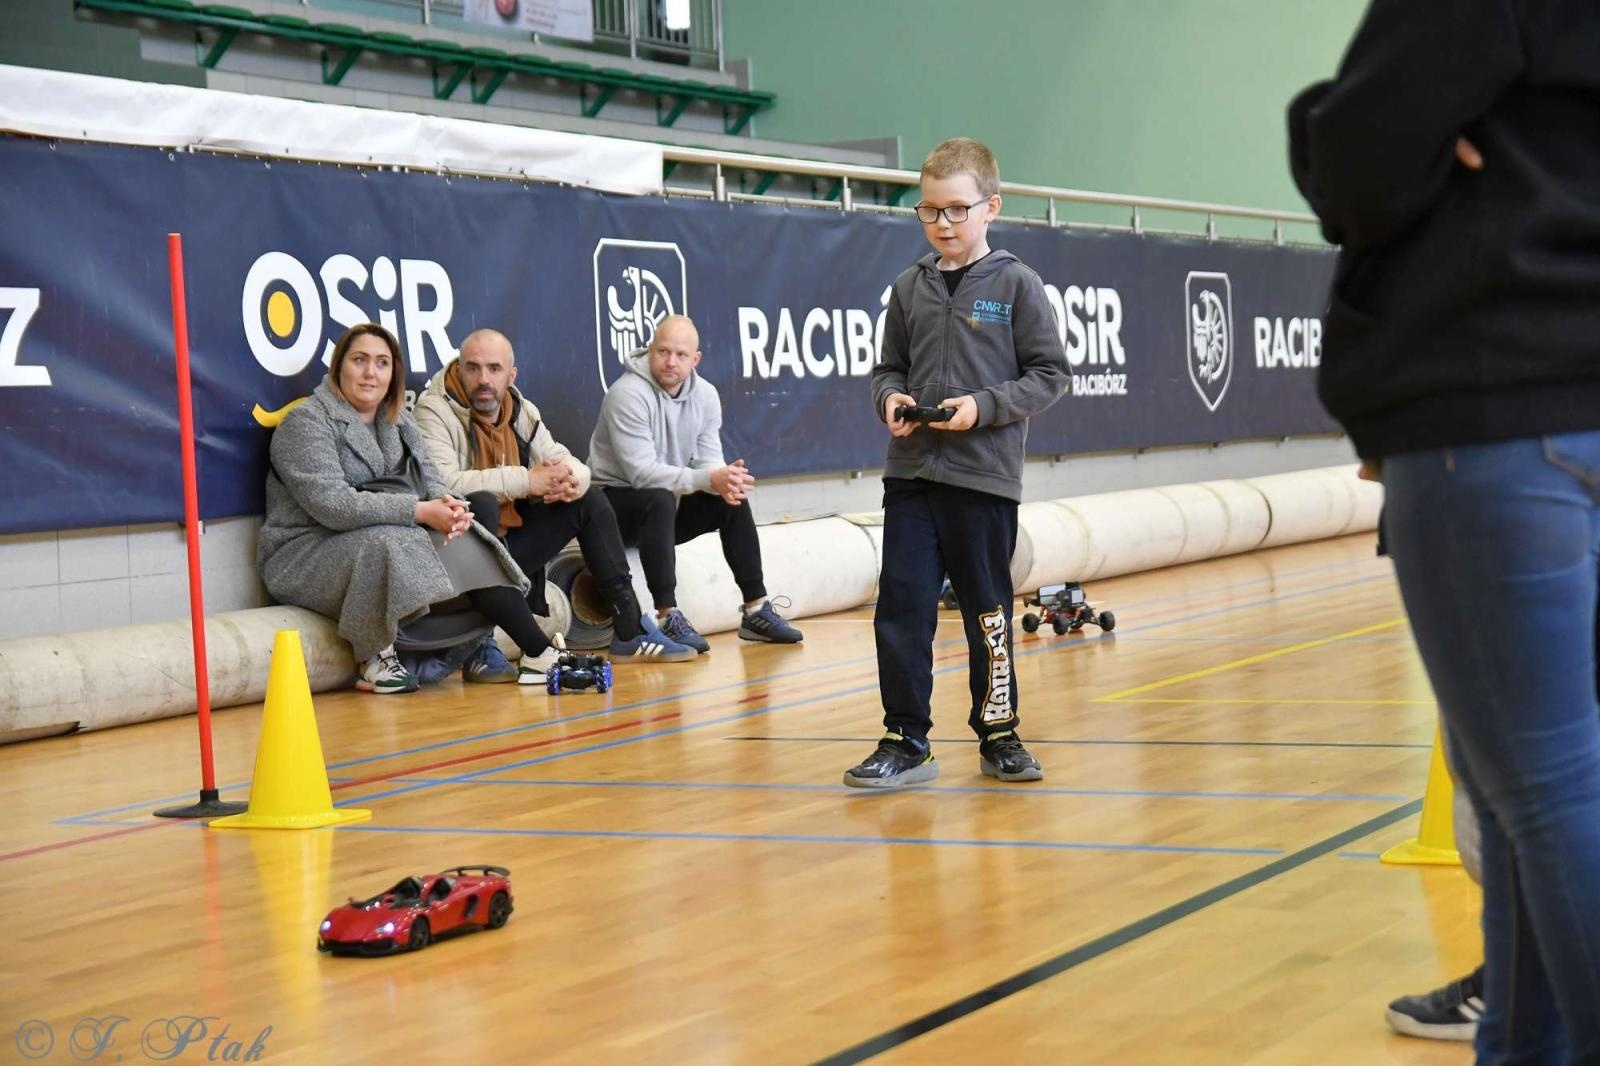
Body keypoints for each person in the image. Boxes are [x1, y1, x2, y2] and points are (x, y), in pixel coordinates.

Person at [1290, 4, 1600, 1059]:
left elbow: (1357, 165)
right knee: (1530, 803)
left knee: (1550, 793)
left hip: (1496, 412)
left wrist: (1330, 123)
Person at [843, 137, 1067, 789]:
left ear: (990, 207)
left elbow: (1051, 374)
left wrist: (987, 406)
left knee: (988, 612)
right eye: (930, 210)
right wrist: (889, 397)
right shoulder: (907, 287)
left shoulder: (1017, 285)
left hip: (983, 479)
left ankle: (1000, 731)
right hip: (911, 476)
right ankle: (905, 737)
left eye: (957, 210)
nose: (943, 223)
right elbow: (886, 367)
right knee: (903, 606)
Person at [258, 322, 561, 692]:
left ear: (393, 373)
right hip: (304, 551)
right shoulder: (305, 423)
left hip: (388, 532)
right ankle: (374, 657)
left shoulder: (398, 418)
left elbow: (431, 477)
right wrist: (420, 512)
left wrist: (447, 505)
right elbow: (333, 506)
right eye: (360, 360)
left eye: (382, 363)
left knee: (467, 535)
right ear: (339, 367)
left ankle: (538, 652)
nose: (371, 372)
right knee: (385, 541)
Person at [413, 328, 695, 663]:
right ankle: (481, 645)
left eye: (494, 369)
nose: (483, 379)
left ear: (511, 374)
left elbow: (562, 457)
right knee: (481, 505)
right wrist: (527, 482)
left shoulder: (521, 409)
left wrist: (572, 479)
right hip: (456, 560)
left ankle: (630, 627)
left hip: (509, 550)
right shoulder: (433, 410)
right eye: (473, 368)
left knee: (586, 499)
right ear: (459, 369)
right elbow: (443, 483)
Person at [587, 313, 802, 653]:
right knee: (657, 497)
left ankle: (756, 610)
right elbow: (640, 474)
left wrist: (725, 479)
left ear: (695, 359)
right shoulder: (625, 394)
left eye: (681, 355)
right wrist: (708, 477)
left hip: (663, 504)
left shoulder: (706, 395)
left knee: (730, 499)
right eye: (663, 351)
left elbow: (708, 461)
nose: (671, 361)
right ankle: (667, 615)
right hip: (611, 509)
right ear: (650, 350)